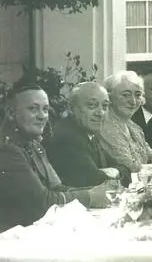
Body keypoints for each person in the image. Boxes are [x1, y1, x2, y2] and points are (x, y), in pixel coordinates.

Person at [0, 84, 113, 234]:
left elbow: (57, 188)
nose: (42, 116)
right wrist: (89, 196)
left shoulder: (34, 145)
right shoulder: (6, 150)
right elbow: (42, 201)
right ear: (11, 113)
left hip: (34, 230)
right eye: (33, 109)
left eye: (45, 109)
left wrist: (100, 191)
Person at [44, 82, 122, 187]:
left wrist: (115, 171)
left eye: (105, 106)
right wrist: (114, 172)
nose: (100, 113)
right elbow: (94, 181)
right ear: (71, 109)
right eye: (92, 105)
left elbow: (123, 166)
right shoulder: (68, 138)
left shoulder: (88, 131)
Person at [97, 72, 152, 178]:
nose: (133, 101)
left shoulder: (134, 127)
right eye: (125, 95)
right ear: (109, 97)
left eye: (138, 95)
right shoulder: (105, 126)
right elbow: (130, 166)